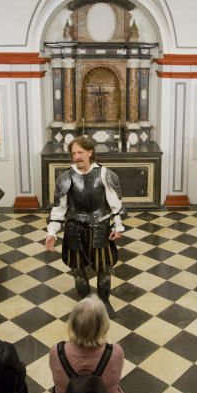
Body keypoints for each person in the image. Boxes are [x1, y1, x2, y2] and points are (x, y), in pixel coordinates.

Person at [45, 136, 125, 318]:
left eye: (80, 152)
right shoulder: (65, 178)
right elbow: (58, 209)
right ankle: (85, 306)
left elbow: (117, 205)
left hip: (100, 227)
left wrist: (118, 227)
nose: (77, 156)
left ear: (90, 152)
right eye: (74, 153)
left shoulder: (106, 175)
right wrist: (52, 233)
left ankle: (104, 303)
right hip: (74, 228)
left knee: (104, 270)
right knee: (78, 272)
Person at [48, 295, 128, 393]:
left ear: (72, 323)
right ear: (104, 324)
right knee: (116, 388)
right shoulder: (115, 352)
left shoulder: (56, 351)